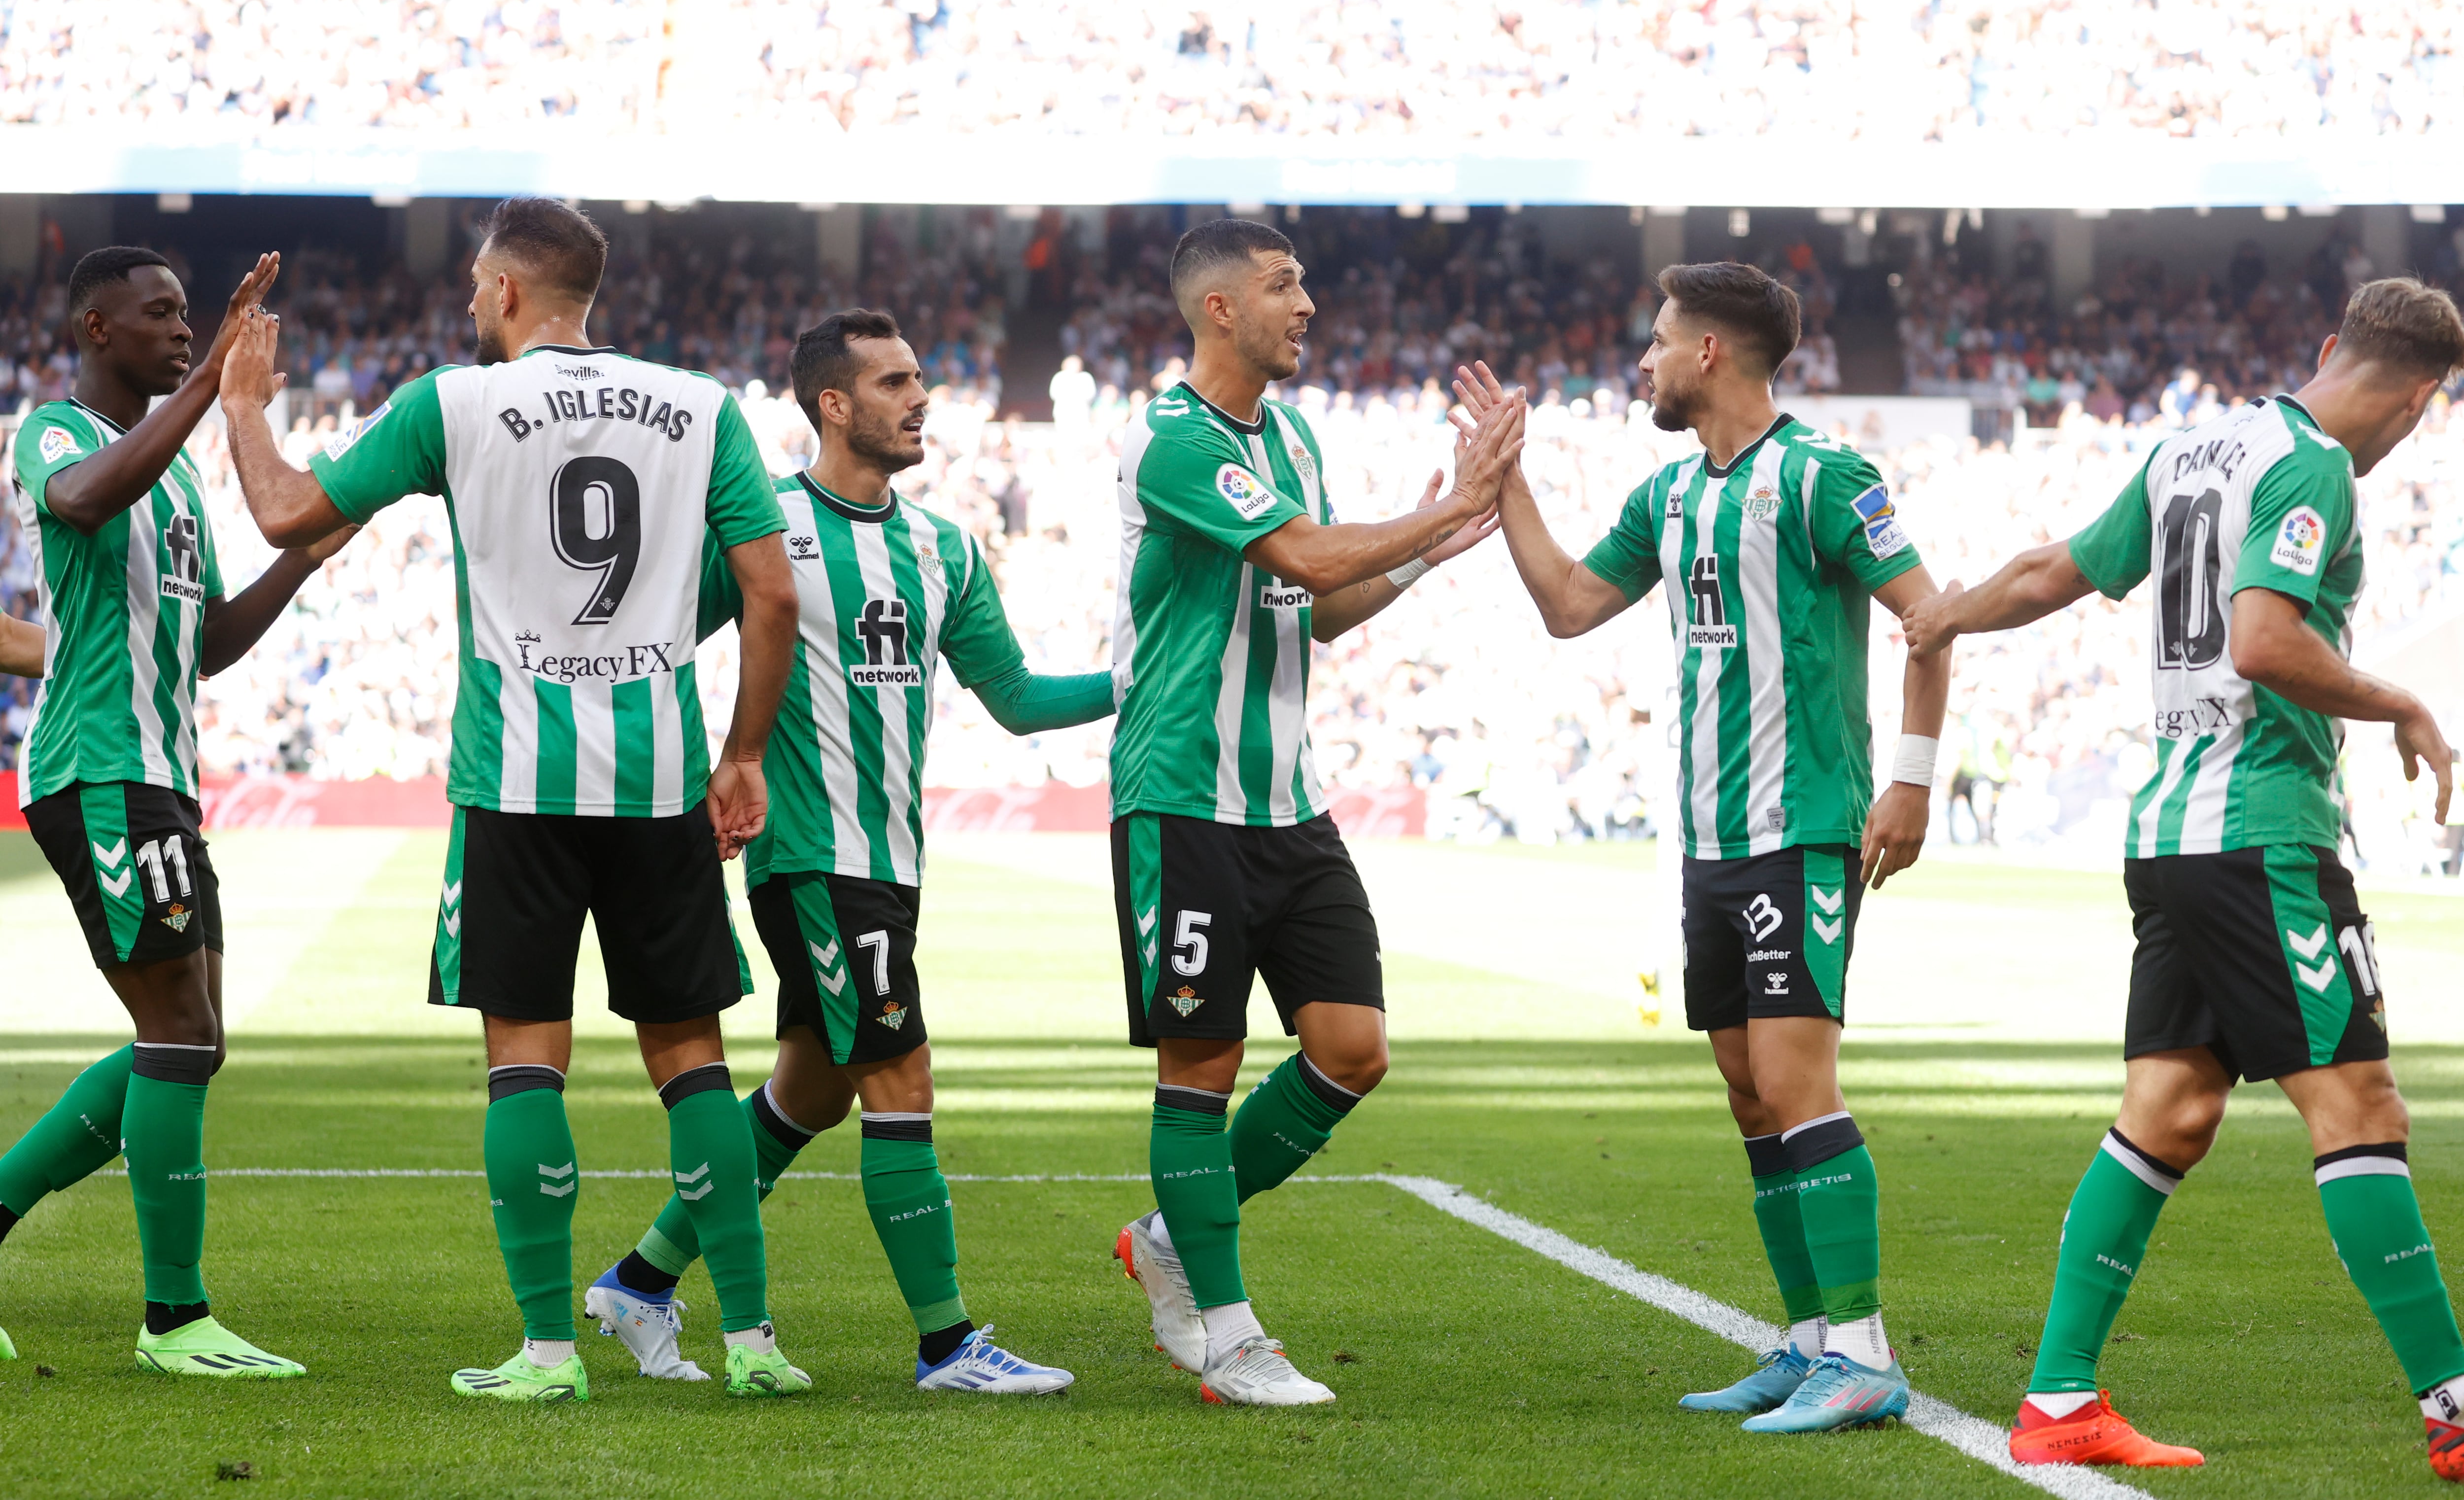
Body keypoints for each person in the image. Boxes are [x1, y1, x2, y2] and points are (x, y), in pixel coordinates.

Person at [213, 199, 810, 1406]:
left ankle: (545, 1354)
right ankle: (749, 1341)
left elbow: (286, 517)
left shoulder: (453, 403)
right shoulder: (703, 407)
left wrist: (241, 406)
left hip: (517, 782)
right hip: (655, 781)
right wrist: (742, 753)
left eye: (476, 291)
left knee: (524, 1063)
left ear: (499, 290)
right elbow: (772, 596)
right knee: (694, 1060)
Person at [1903, 278, 2464, 1479]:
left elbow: (2054, 569)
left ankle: (2058, 1400)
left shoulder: (2190, 445)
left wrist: (1942, 615)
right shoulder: (2310, 466)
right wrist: (2405, 702)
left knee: (2169, 1110)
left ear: (2327, 347)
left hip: (2167, 837)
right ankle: (2456, 1408)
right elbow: (2264, 640)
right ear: (2424, 399)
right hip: (2263, 834)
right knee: (2362, 1113)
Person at [1458, 260, 1952, 1434]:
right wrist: (1509, 482)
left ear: (1711, 355)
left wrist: (1913, 782)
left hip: (1802, 830)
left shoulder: (1826, 479)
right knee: (1746, 1092)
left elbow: (1929, 617)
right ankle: (1807, 1341)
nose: (1643, 359)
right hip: (1711, 840)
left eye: (1659, 339)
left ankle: (1867, 1350)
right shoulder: (1668, 498)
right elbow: (1571, 605)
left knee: (1794, 1081)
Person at [588, 310, 1109, 1395]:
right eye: (894, 381)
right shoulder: (759, 524)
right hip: (814, 857)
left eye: (921, 377)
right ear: (833, 402)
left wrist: (1138, 681)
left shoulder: (945, 545)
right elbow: (648, 644)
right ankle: (948, 1343)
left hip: (895, 861)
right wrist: (708, 775)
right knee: (899, 1072)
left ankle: (640, 1279)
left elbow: (1012, 698)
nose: (921, 397)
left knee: (811, 1091)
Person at [1107, 218, 1521, 1407]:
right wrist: (1446, 508)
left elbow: (1317, 604)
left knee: (1351, 1047)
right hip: (1181, 793)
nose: (1311, 304)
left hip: (1286, 800)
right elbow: (1307, 556)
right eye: (1286, 285)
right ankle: (1231, 1338)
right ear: (1219, 307)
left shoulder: (1289, 433)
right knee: (1203, 1062)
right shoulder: (1170, 438)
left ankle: (1173, 1240)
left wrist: (1440, 543)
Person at [0, 248, 354, 1378]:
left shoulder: (186, 485)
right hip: (98, 772)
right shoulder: (56, 431)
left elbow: (203, 647)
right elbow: (83, 499)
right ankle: (172, 1317)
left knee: (193, 1041)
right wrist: (216, 383)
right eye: (158, 315)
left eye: (187, 316)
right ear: (96, 327)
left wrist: (298, 559)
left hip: (161, 774)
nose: (179, 328)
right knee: (175, 1036)